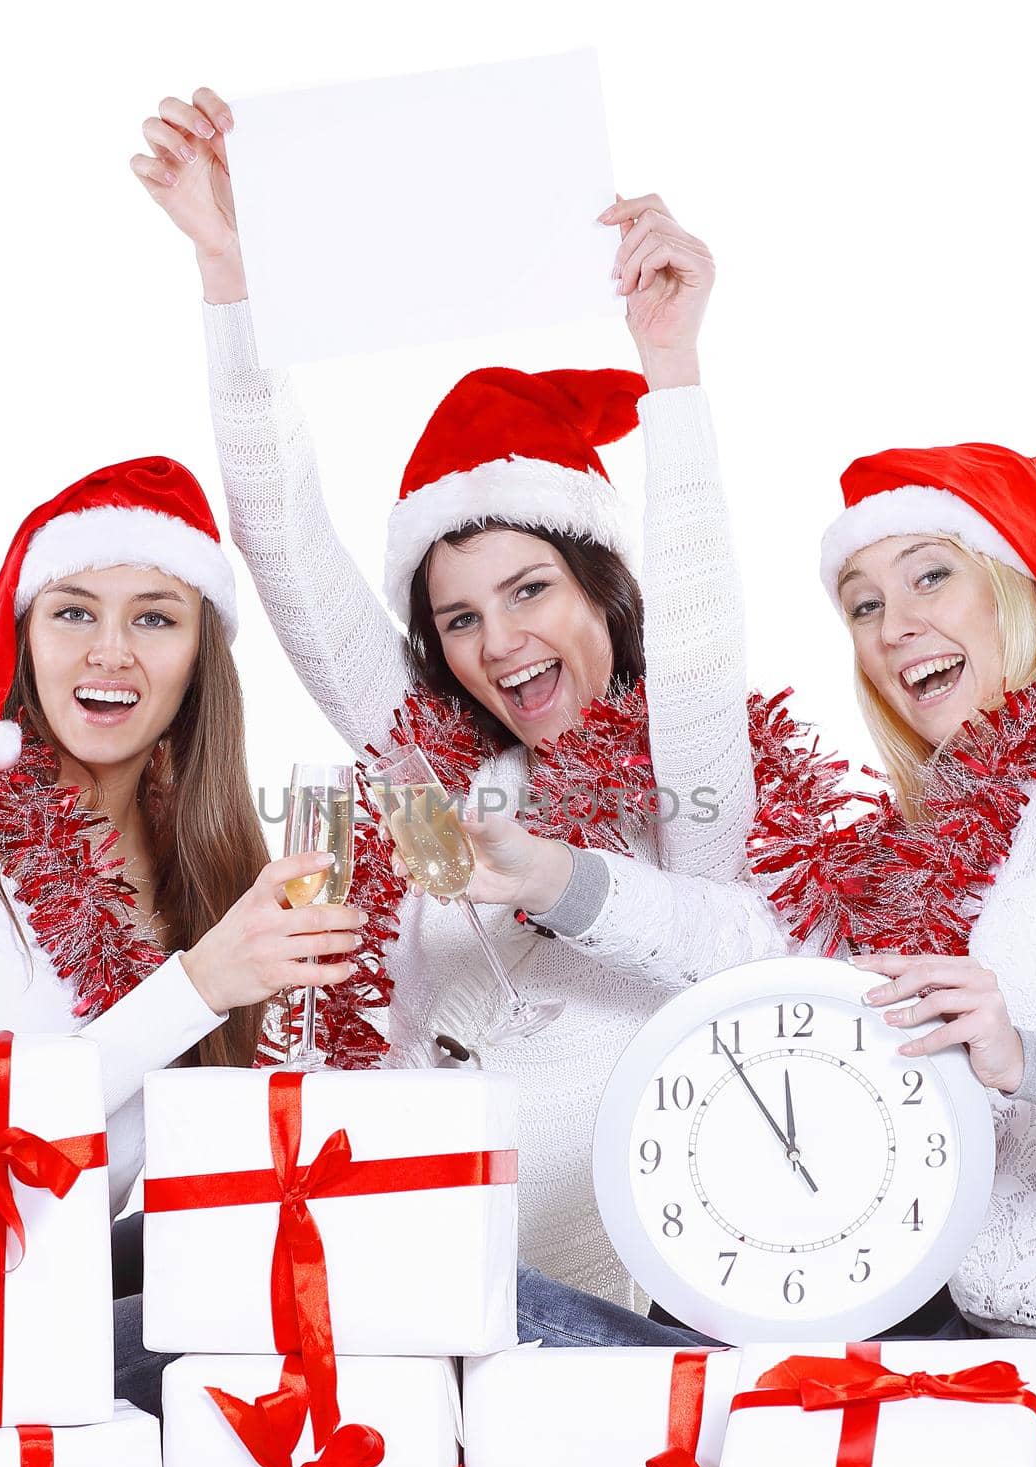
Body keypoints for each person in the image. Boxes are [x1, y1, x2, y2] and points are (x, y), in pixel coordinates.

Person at [133, 88, 787, 1320]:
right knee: (131, 1303)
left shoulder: (683, 760)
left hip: (594, 1306)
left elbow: (704, 625)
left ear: (605, 589)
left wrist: (672, 369)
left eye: (530, 588)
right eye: (457, 617)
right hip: (387, 1251)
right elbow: (284, 545)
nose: (499, 641)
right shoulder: (436, 766)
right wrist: (230, 273)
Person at [0, 456, 366, 1467]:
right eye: (74, 610)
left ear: (195, 663)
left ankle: (680, 1384)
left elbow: (202, 1175)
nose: (109, 649)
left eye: (154, 618)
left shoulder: (199, 880)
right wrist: (204, 980)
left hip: (67, 1300)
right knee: (304, 1339)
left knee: (370, 1268)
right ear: (21, 637)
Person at [746, 442, 1036, 1394]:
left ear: (1015, 584)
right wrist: (556, 881)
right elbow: (748, 941)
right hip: (972, 1339)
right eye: (865, 605)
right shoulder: (926, 842)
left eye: (930, 575)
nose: (895, 626)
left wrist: (1024, 1055)